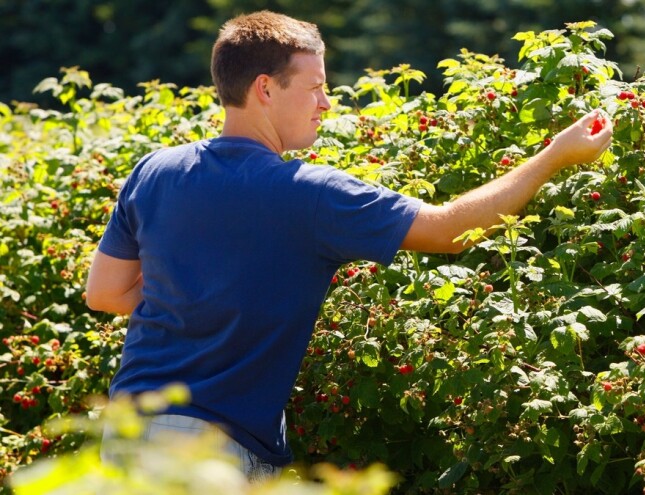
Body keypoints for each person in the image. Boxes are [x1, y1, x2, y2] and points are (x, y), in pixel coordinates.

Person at [86, 10, 611, 482]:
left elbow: (105, 293)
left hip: (130, 431)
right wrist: (554, 158)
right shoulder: (308, 194)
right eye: (314, 86)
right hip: (210, 452)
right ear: (265, 89)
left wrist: (197, 311)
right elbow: (448, 230)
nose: (326, 101)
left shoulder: (154, 170)